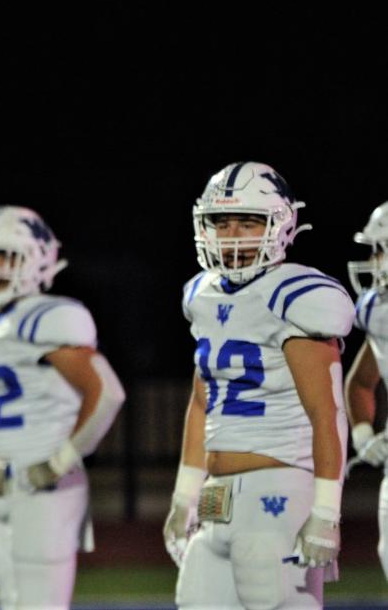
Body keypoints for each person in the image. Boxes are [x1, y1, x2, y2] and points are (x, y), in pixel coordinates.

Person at [165, 162, 354, 610]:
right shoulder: (202, 294)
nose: (233, 235)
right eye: (221, 222)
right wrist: (184, 494)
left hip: (278, 488)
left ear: (280, 226)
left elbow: (327, 413)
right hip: (217, 495)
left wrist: (326, 511)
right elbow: (201, 402)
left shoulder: (297, 295)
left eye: (248, 222)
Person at [0, 206, 125, 610]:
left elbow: (107, 394)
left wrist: (61, 460)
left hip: (45, 481)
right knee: (12, 602)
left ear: (34, 258)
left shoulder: (49, 316)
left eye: (1, 254)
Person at [343, 201, 388, 579]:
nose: (374, 261)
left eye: (381, 249)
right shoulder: (378, 310)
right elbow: (360, 382)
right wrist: (362, 435)